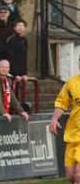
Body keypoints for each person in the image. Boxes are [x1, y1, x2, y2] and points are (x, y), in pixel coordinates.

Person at [49, 55, 80, 184]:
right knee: (71, 176)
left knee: (79, 176)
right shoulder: (71, 83)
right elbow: (62, 102)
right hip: (72, 135)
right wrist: (54, 119)